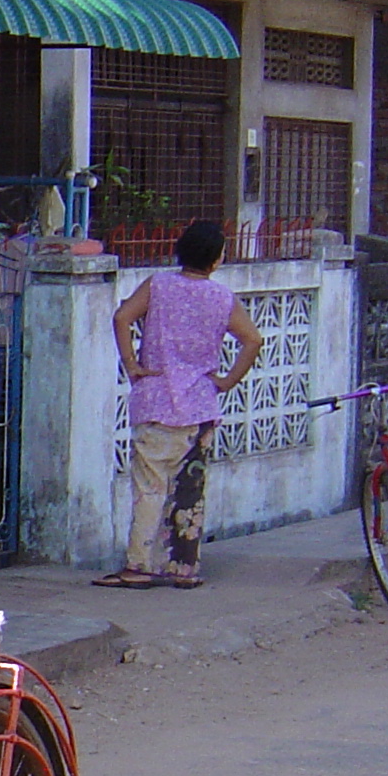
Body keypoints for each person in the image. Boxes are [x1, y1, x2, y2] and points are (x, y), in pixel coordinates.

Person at [95, 218, 262, 590]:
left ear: (180, 249)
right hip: (200, 405)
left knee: (150, 486)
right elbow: (252, 339)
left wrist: (132, 365)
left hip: (155, 399)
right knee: (190, 491)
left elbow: (122, 317)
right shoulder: (222, 297)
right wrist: (227, 380)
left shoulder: (158, 286)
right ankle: (183, 568)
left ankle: (139, 564)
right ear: (217, 259)